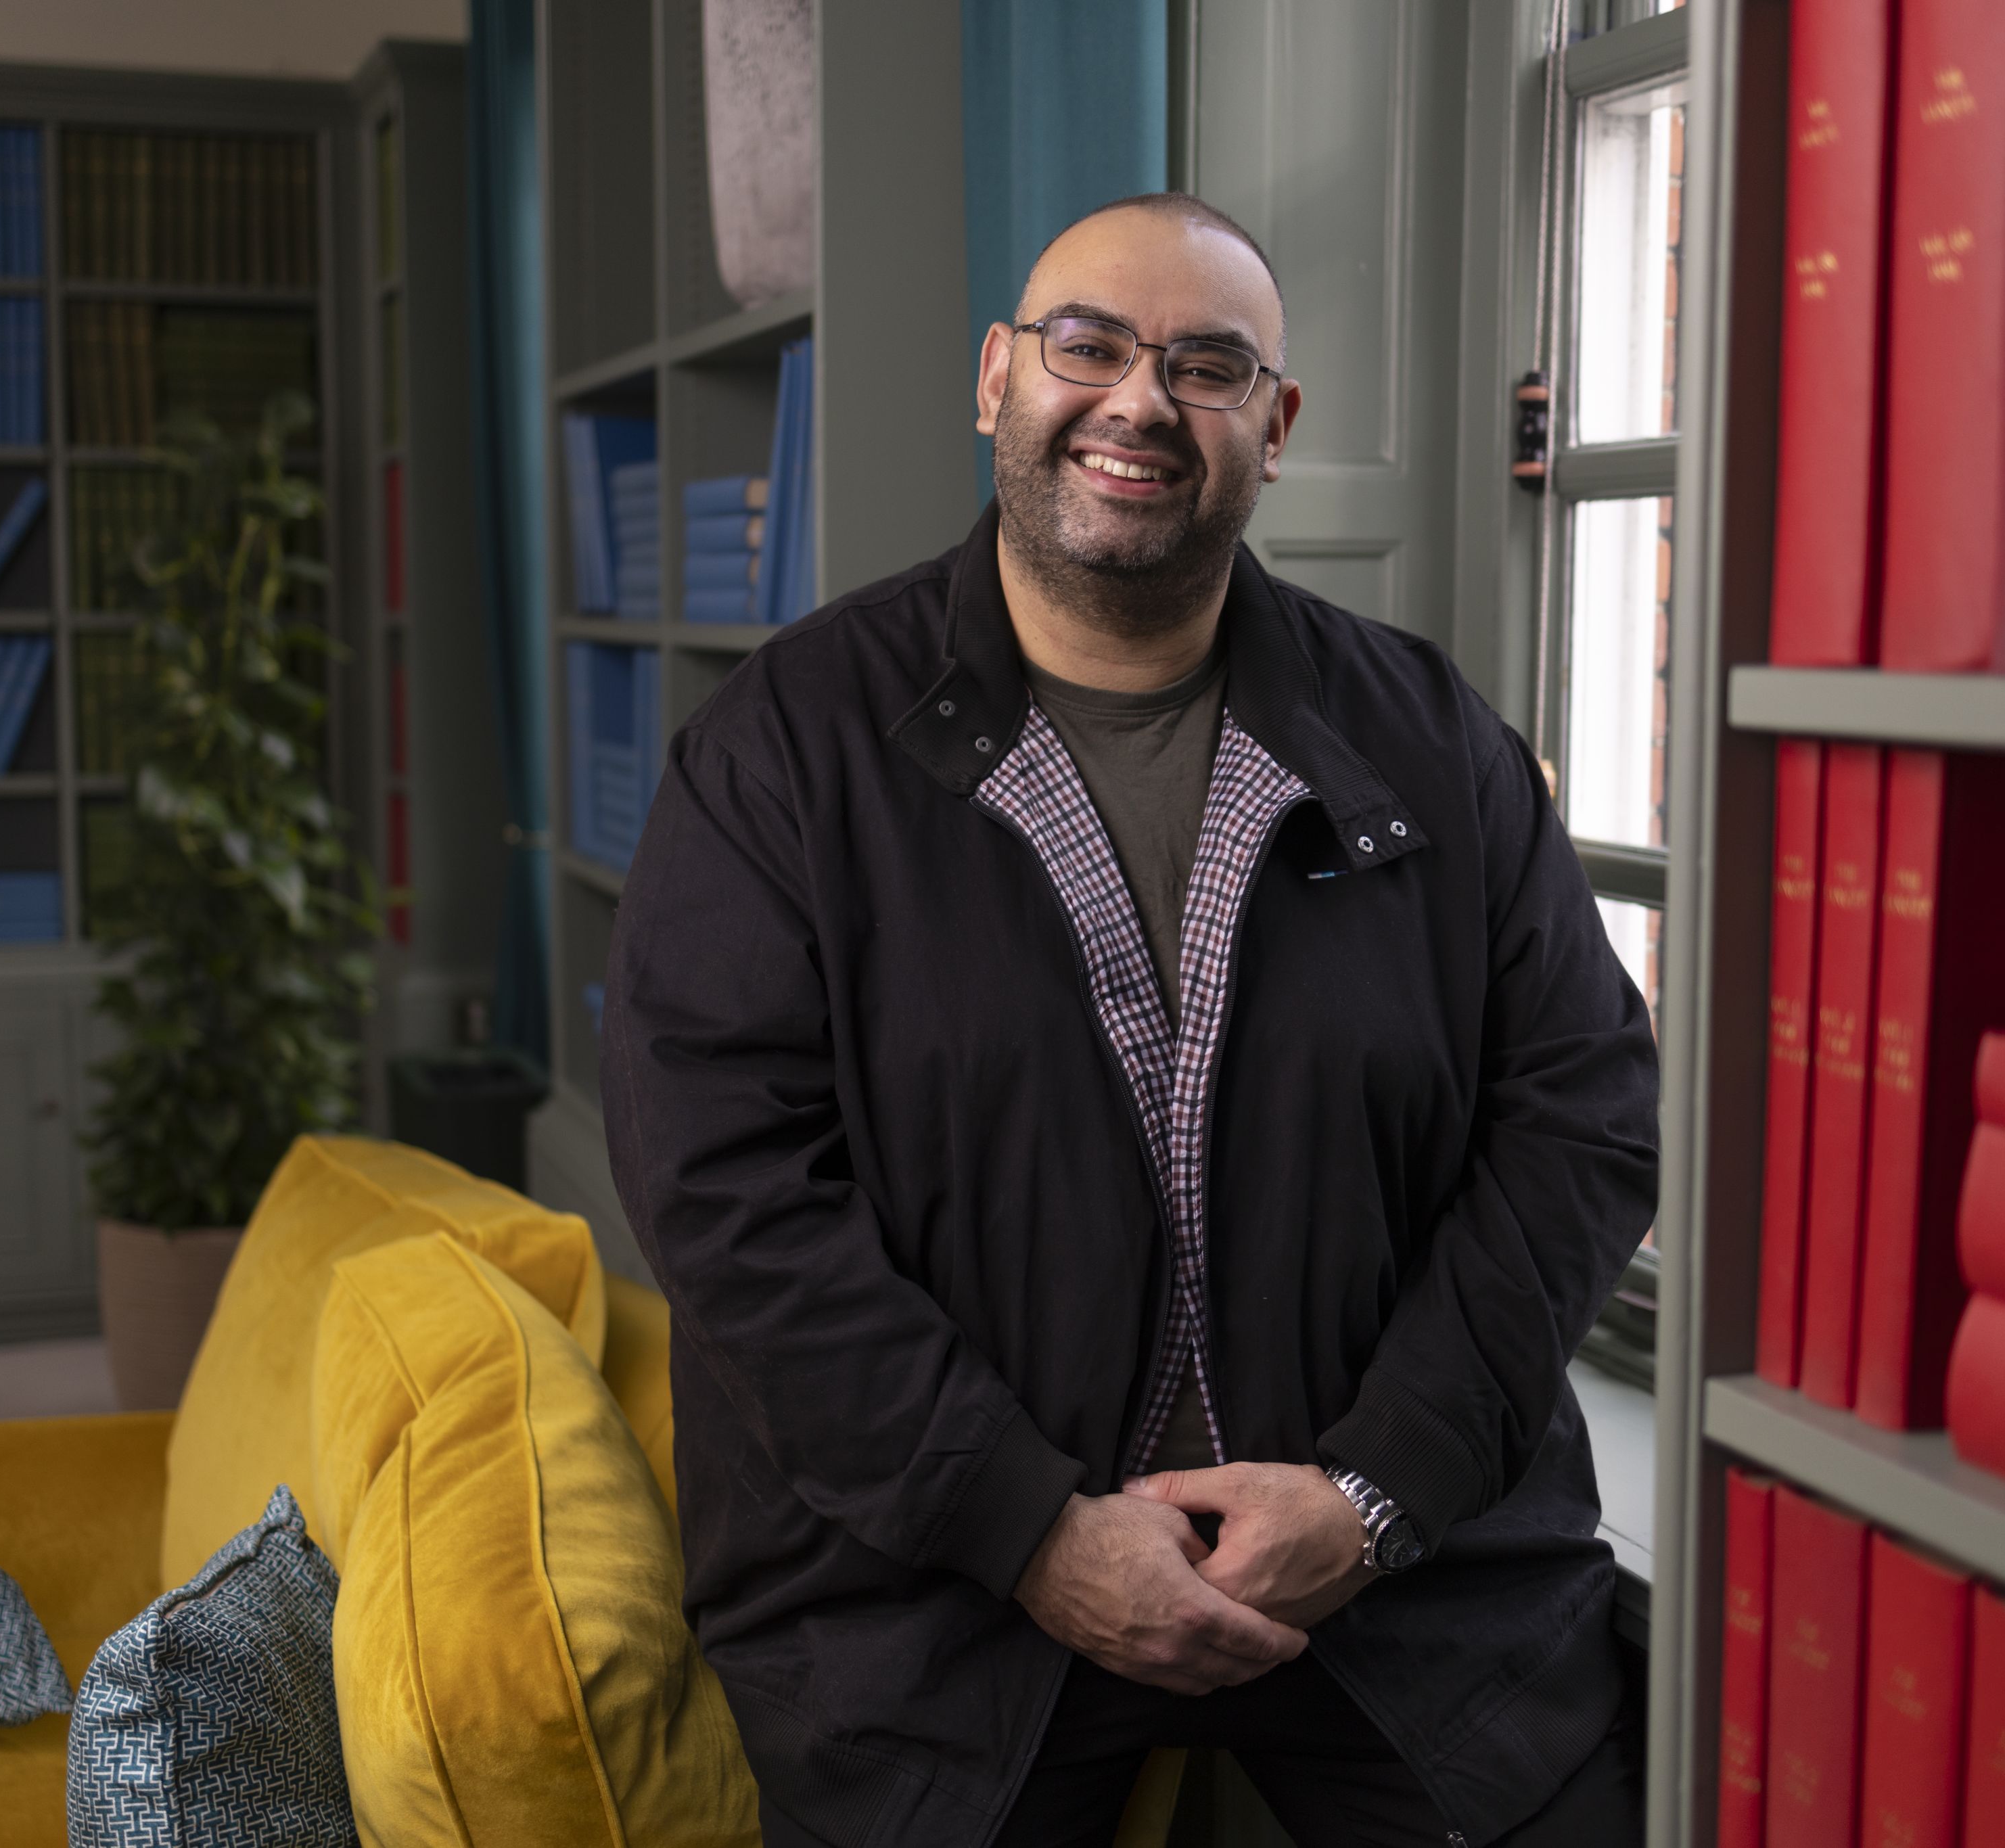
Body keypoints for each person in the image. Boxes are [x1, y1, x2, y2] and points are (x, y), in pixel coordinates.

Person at [601, 192, 1658, 1847]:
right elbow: (725, 1195)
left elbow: (1582, 1117)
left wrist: (1372, 1492)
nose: (1136, 403)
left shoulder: (1427, 736)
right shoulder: (783, 751)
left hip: (1396, 1571)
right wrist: (1026, 1528)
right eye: (1084, 345)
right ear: (993, 381)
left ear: (1275, 424)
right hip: (929, 1594)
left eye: (1206, 363)